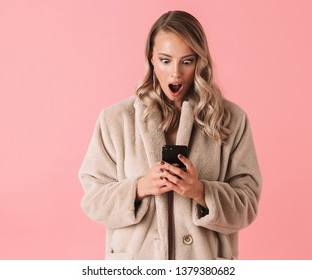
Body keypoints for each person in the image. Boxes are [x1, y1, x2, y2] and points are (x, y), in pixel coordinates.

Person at [79, 10, 262, 260]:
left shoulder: (231, 119)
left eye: (187, 61)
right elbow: (93, 201)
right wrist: (140, 187)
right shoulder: (115, 120)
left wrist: (200, 191)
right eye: (166, 60)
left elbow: (247, 205)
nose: (176, 73)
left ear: (200, 61)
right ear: (151, 59)